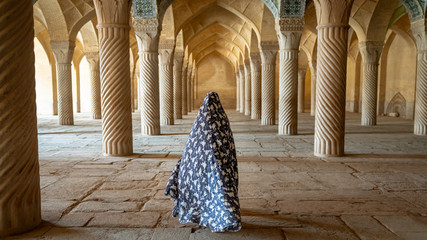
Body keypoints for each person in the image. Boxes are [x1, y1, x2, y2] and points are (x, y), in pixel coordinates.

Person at [165, 92, 241, 232]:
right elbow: (228, 144)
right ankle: (224, 215)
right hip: (217, 163)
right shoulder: (222, 119)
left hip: (199, 166)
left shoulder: (200, 121)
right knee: (220, 186)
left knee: (202, 188)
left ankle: (202, 213)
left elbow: (191, 146)